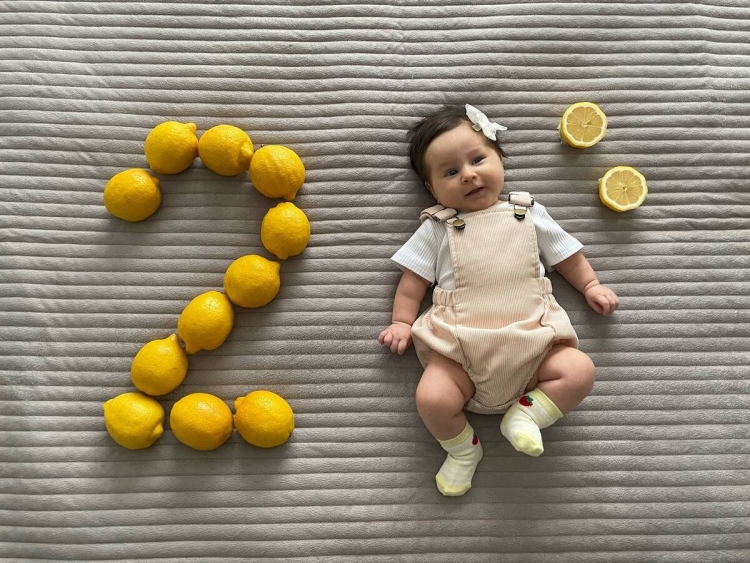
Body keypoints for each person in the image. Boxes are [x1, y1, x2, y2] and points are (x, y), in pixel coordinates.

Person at [378, 104, 619, 497]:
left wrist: (590, 285)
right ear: (431, 189)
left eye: (477, 159)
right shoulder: (437, 228)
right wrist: (402, 323)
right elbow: (412, 283)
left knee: (579, 371)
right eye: (450, 172)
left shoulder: (527, 212)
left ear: (500, 159)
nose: (468, 175)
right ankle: (462, 450)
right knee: (432, 398)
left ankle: (527, 415)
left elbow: (566, 256)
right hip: (460, 350)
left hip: (534, 343)